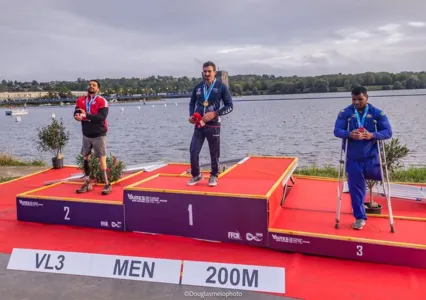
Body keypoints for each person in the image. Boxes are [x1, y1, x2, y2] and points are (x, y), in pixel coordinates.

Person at [334, 86, 392, 230]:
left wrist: (372, 135)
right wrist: (349, 134)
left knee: (380, 181)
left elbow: (388, 132)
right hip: (353, 157)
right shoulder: (346, 113)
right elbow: (337, 130)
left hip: (372, 157)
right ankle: (360, 217)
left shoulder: (377, 113)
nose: (357, 102)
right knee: (356, 188)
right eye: (354, 99)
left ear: (366, 97)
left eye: (360, 99)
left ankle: (385, 211)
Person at [188, 61, 233, 187]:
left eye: (209, 71)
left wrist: (215, 113)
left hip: (213, 125)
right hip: (199, 124)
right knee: (193, 151)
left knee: (214, 152)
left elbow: (230, 106)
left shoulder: (221, 87)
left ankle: (213, 176)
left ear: (215, 72)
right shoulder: (198, 88)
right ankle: (196, 175)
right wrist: (191, 115)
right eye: (205, 71)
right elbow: (192, 103)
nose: (206, 74)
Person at [74, 80, 111, 195]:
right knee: (85, 158)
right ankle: (87, 182)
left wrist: (86, 115)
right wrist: (77, 117)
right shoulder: (80, 100)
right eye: (90, 85)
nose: (91, 86)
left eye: (94, 85)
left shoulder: (102, 101)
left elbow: (101, 117)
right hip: (86, 134)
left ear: (98, 89)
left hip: (99, 134)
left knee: (102, 159)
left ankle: (107, 184)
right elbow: (76, 112)